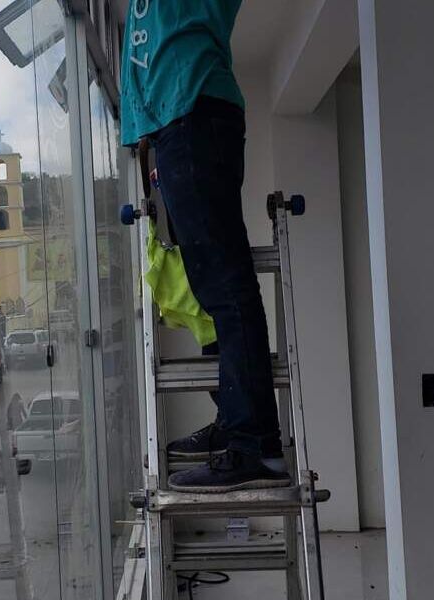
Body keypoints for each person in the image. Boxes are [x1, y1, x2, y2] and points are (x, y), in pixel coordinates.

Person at [121, 0, 290, 492]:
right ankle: (236, 422)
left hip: (193, 112)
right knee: (210, 285)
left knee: (225, 286)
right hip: (178, 121)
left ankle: (254, 442)